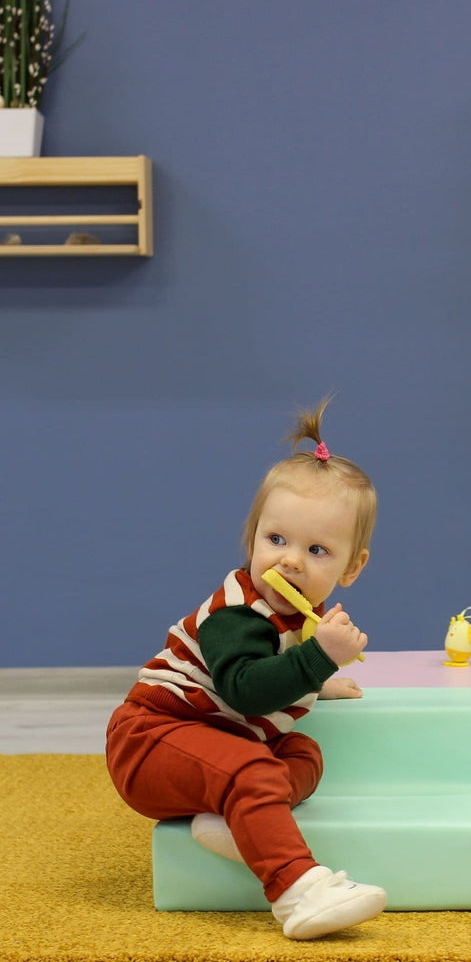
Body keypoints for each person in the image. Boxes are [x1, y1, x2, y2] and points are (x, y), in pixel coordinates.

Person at [106, 400, 387, 939]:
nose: (290, 561)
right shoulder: (235, 612)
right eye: (276, 540)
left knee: (304, 754)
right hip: (152, 739)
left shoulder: (304, 616)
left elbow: (276, 663)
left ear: (352, 567)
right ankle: (297, 892)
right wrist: (317, 659)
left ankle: (237, 819)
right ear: (252, 536)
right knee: (254, 769)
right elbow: (246, 688)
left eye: (318, 549)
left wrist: (315, 678)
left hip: (214, 739)